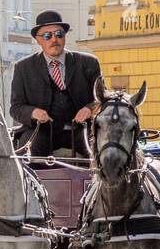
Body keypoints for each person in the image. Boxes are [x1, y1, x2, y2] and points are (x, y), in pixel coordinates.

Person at [9, 10, 104, 158]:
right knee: (28, 155)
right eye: (47, 36)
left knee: (101, 152)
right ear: (38, 39)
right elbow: (15, 108)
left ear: (64, 36)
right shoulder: (23, 68)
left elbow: (102, 99)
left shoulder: (88, 63)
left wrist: (89, 109)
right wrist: (34, 113)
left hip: (81, 129)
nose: (54, 39)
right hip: (41, 130)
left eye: (59, 34)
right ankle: (30, 182)